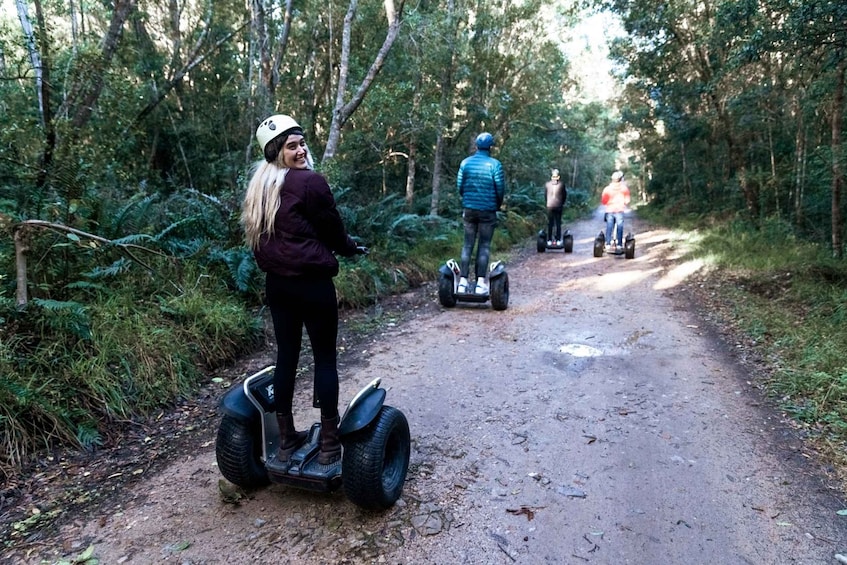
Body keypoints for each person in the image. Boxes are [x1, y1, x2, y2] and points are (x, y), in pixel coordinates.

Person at [242, 114, 366, 468]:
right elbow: (332, 229)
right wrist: (350, 248)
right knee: (325, 359)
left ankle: (285, 441)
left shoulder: (260, 188)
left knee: (287, 358)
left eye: (301, 143)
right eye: (291, 146)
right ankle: (329, 444)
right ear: (276, 151)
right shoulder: (310, 182)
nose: (301, 150)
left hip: (278, 286)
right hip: (312, 284)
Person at [456, 132, 505, 294]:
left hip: (469, 209)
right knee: (484, 245)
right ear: (491, 147)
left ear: (476, 146)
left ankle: (462, 282)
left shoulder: (465, 163)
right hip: (488, 210)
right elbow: (500, 189)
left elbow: (460, 187)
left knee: (467, 244)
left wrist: (468, 201)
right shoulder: (495, 165)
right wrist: (496, 205)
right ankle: (480, 284)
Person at [601, 170, 631, 250]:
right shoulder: (624, 189)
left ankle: (607, 244)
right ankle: (619, 245)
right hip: (619, 211)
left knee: (609, 227)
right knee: (620, 227)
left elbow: (603, 201)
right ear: (620, 179)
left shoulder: (607, 189)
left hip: (610, 210)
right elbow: (627, 201)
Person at [544, 169, 567, 245]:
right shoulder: (561, 184)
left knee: (550, 223)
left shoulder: (547, 184)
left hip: (550, 206)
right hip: (558, 206)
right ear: (558, 177)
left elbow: (545, 196)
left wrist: (548, 203)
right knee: (558, 223)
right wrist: (562, 203)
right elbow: (564, 196)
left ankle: (549, 240)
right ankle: (557, 240)